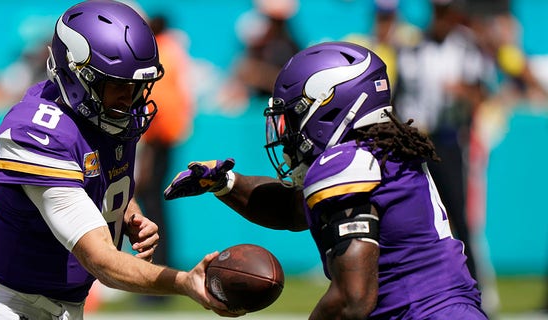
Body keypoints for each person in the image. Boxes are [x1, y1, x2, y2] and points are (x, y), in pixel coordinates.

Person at [0, 1, 240, 319]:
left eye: (137, 86)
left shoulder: (114, 116)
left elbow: (98, 176)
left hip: (69, 307)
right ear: (76, 74)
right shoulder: (37, 131)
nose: (129, 98)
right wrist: (184, 281)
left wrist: (128, 212)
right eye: (117, 84)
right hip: (7, 305)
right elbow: (100, 259)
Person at [164, 41, 487, 319]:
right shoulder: (377, 155)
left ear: (326, 105)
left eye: (291, 115)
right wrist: (225, 182)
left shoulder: (346, 163)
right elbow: (293, 209)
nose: (285, 130)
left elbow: (352, 300)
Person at [392, 0, 496, 284]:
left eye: (446, 11)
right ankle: (420, 285)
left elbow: (482, 94)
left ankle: (473, 288)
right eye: (438, 11)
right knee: (414, 216)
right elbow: (398, 99)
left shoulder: (466, 48)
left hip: (448, 141)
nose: (442, 18)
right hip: (415, 142)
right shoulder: (413, 47)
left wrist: (462, 91)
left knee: (458, 218)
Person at [133, 13, 195, 306]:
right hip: (168, 134)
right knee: (156, 205)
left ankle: (156, 278)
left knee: (151, 208)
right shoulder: (173, 49)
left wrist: (145, 155)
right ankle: (160, 277)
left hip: (158, 137)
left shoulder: (160, 51)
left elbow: (156, 103)